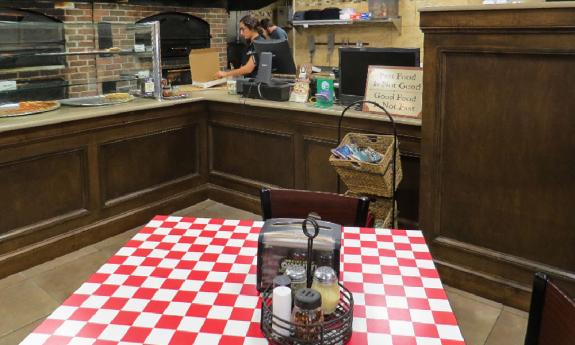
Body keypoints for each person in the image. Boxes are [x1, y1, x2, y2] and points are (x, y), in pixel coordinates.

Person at [216, 15, 264, 79]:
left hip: (256, 84)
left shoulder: (260, 44)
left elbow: (248, 69)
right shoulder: (250, 44)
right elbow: (243, 67)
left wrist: (226, 74)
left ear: (252, 27)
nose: (241, 33)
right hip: (248, 82)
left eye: (243, 29)